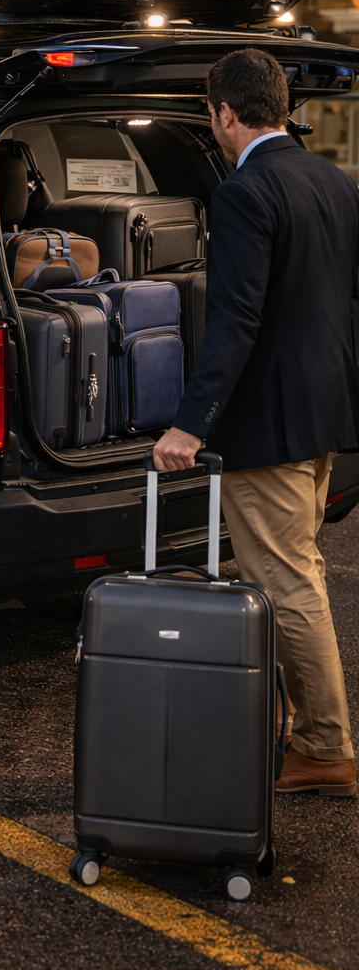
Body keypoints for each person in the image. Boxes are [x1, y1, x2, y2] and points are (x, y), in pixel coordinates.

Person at [153, 46, 359, 797]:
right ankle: (311, 735)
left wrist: (190, 423)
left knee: (288, 580)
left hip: (267, 423)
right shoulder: (328, 177)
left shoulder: (244, 193)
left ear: (226, 114)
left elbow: (235, 320)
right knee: (299, 568)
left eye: (212, 116)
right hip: (321, 411)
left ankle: (326, 749)